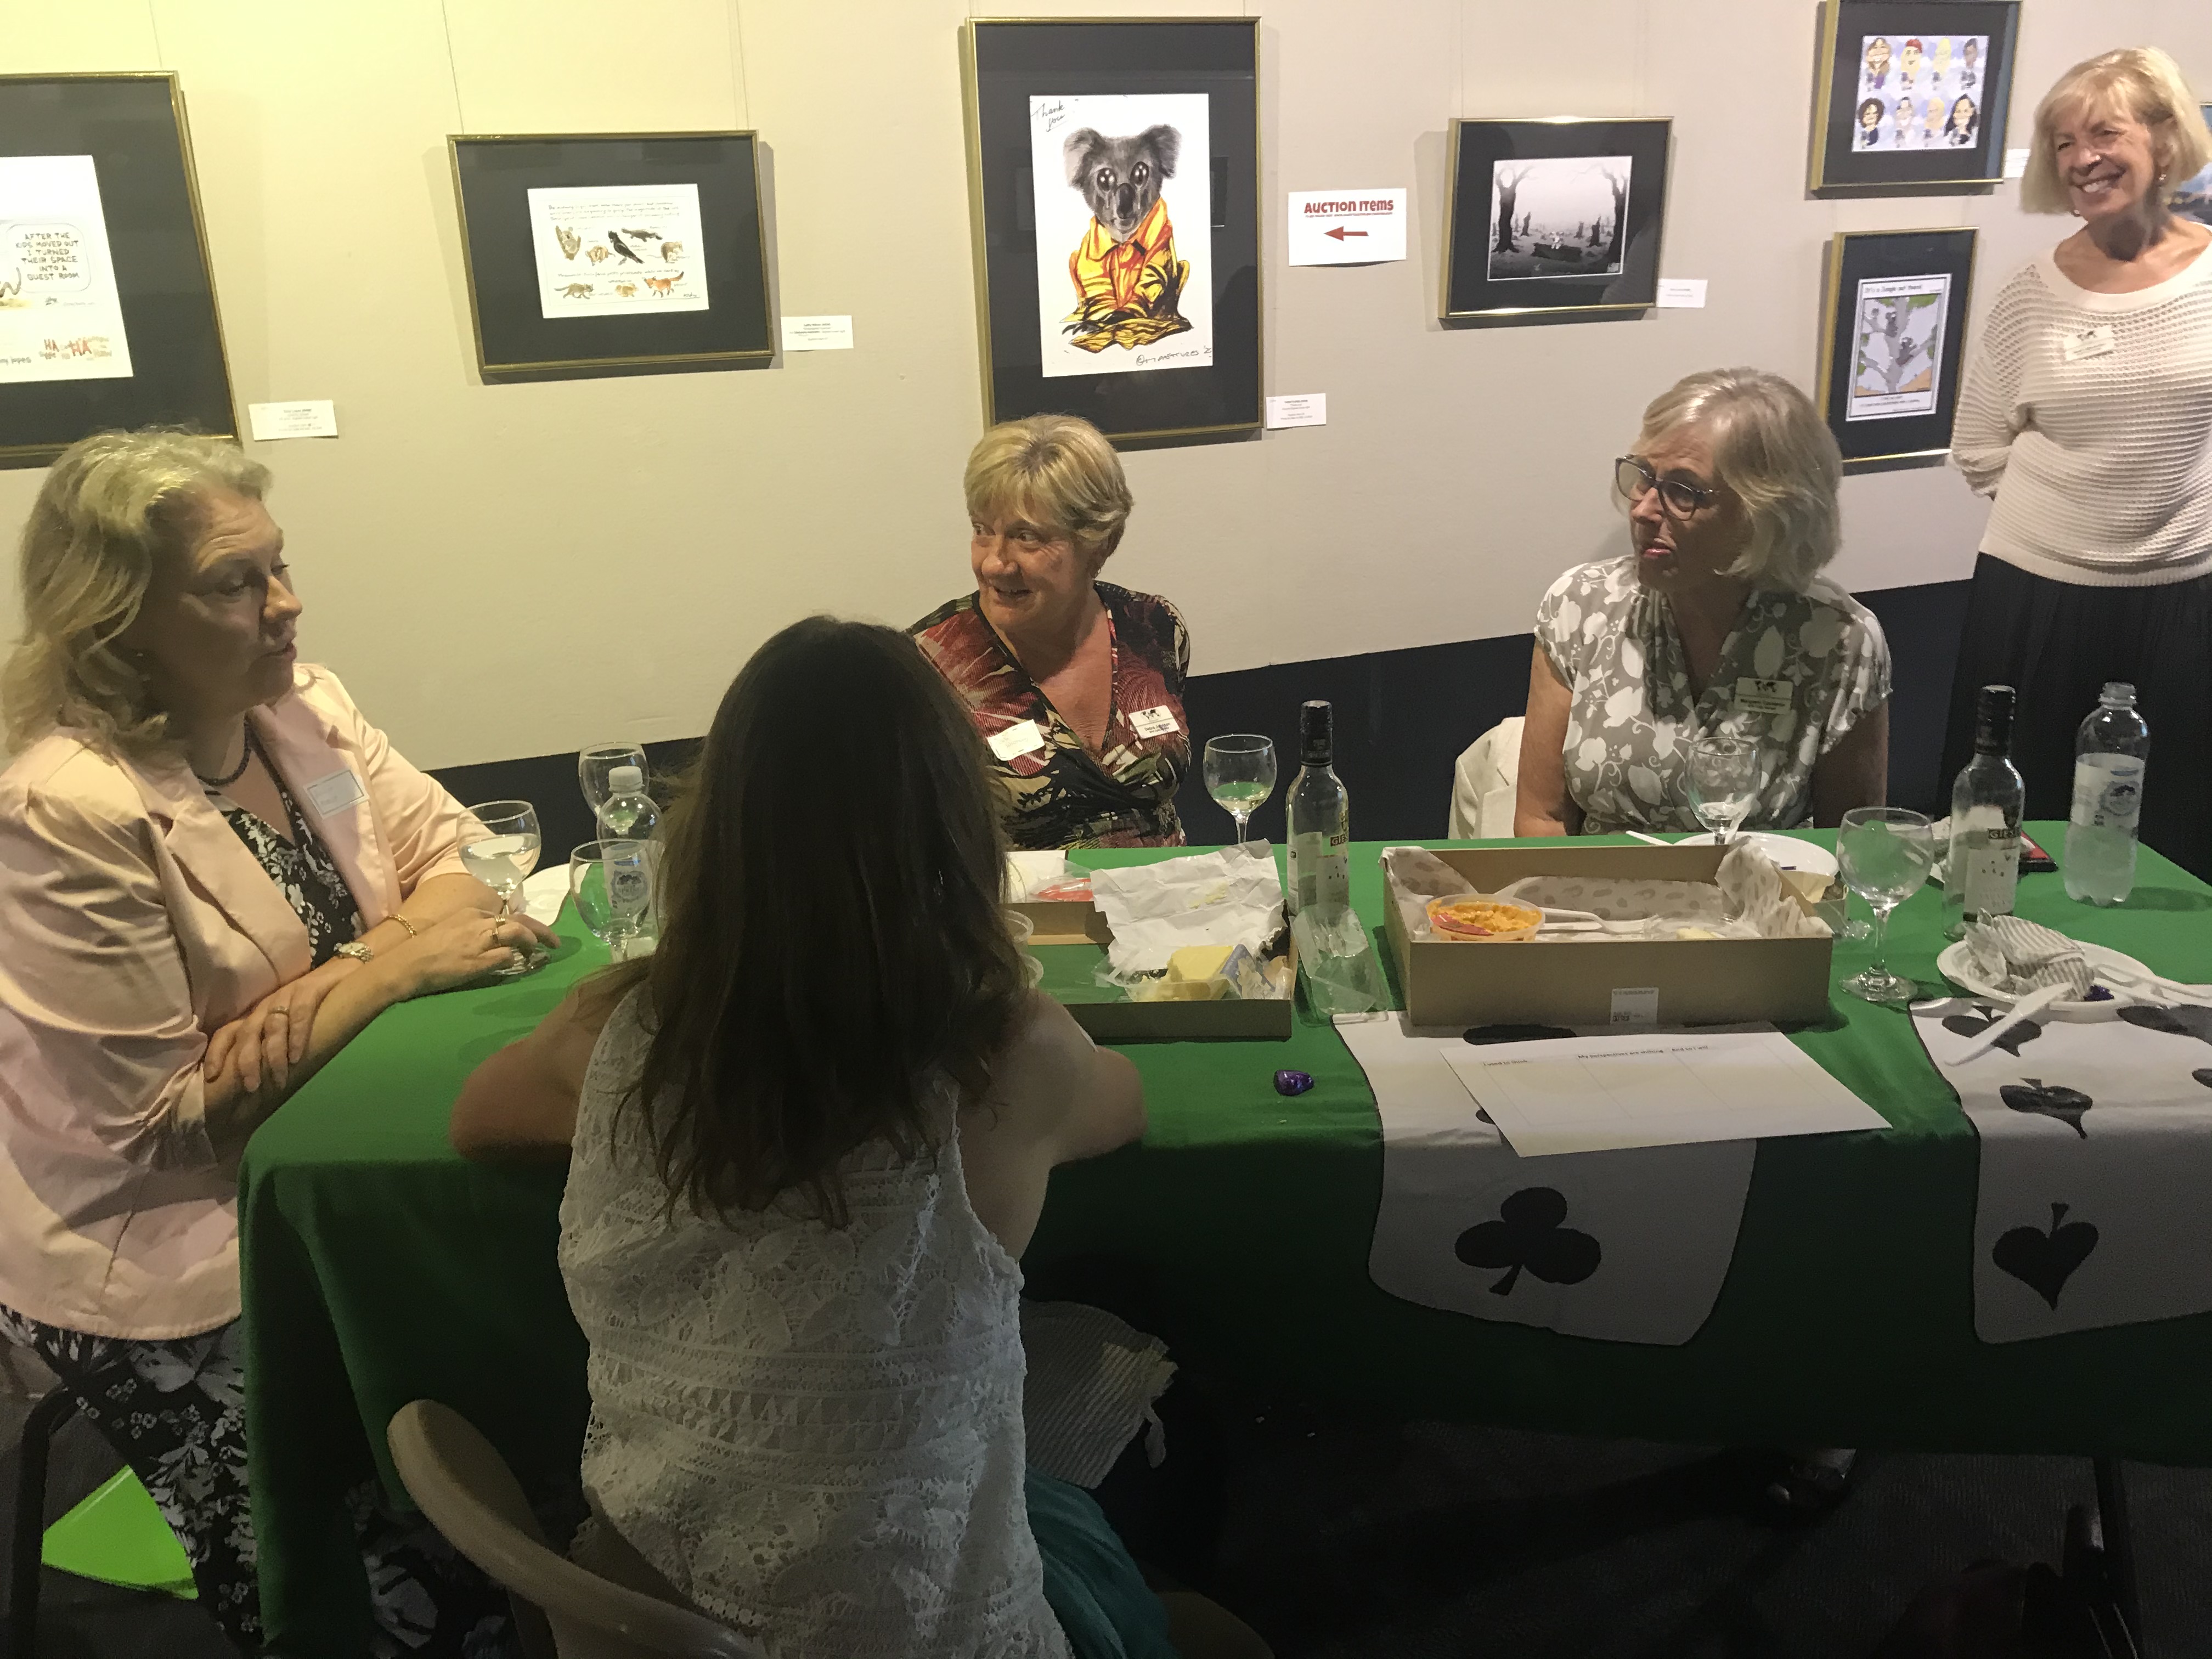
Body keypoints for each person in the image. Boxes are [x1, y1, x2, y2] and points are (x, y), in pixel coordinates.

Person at [449, 617, 1191, 1659]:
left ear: (714, 829)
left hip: (642, 1610)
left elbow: (480, 1118)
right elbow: (1126, 1103)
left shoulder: (611, 1029)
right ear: (955, 830)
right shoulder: (1011, 1054)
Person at [0, 430, 551, 1650]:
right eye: (234, 583)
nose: (286, 604)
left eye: (280, 566)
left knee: (519, 1415)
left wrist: (351, 972)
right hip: (162, 1237)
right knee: (394, 1567)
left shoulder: (303, 707)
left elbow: (469, 857)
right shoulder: (63, 807)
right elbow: (168, 1121)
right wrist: (397, 962)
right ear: (118, 621)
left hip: (322, 1145)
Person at [1943, 48, 2212, 877]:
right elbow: (1978, 445)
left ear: (2165, 139)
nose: (2083, 158)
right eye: (2063, 143)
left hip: (2184, 593)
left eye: (2104, 134)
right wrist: (2075, 522)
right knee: (2005, 835)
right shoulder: (2031, 290)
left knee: (2171, 837)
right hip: (2035, 595)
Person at [1515, 368, 1892, 838]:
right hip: (1599, 885)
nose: (1643, 510)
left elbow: (1851, 840)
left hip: (1763, 883)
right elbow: (1541, 819)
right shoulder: (1580, 607)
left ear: (1767, 512)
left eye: (1682, 491)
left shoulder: (1838, 640)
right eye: (1644, 478)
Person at [911, 415, 1190, 850]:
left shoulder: (1153, 627)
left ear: (1100, 544)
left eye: (1026, 537)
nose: (994, 563)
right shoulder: (929, 663)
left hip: (1167, 888)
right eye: (982, 531)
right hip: (1019, 896)